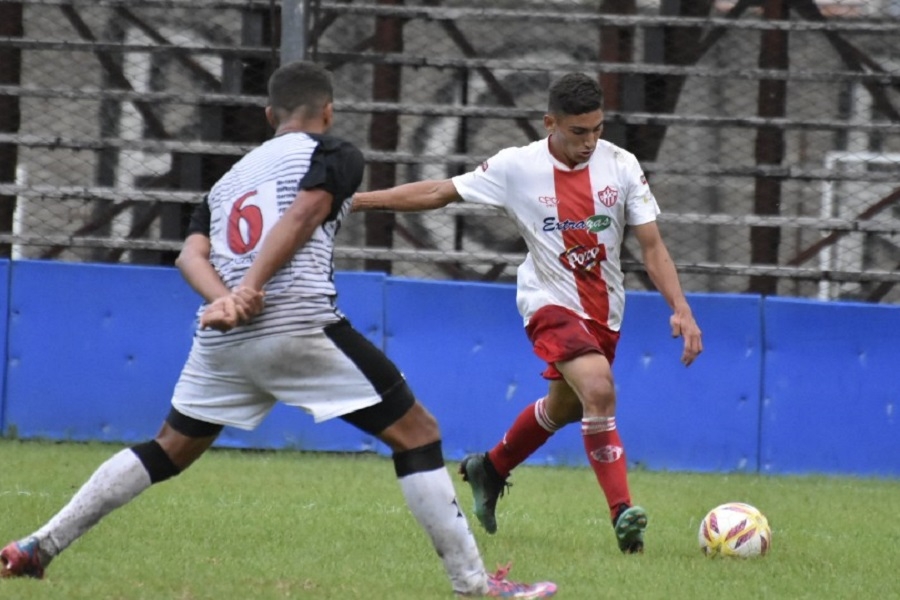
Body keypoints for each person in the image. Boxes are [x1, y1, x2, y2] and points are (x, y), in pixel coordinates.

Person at [0, 60, 557, 598]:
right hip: (295, 323)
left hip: (223, 339)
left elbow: (190, 255)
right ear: (328, 111)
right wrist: (247, 291)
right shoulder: (333, 154)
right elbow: (303, 214)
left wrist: (225, 300)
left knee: (168, 449)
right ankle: (475, 587)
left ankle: (39, 546)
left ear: (270, 115)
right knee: (418, 433)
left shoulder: (227, 183)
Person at [351, 72, 703, 554]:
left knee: (566, 407)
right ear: (550, 123)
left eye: (597, 129)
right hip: (547, 301)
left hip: (604, 310)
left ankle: (491, 467)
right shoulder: (516, 167)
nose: (590, 142)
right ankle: (623, 514)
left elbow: (652, 245)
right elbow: (438, 192)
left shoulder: (622, 165)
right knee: (599, 388)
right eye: (578, 131)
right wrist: (355, 201)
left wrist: (681, 308)